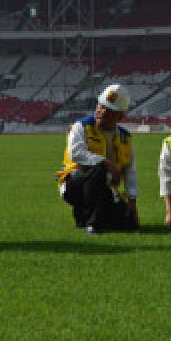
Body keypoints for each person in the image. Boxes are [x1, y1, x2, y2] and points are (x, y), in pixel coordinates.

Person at [56, 84, 139, 234]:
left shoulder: (125, 137)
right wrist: (106, 162)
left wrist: (132, 202)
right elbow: (76, 153)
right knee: (99, 168)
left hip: (104, 186)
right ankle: (93, 224)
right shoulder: (80, 127)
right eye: (100, 106)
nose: (101, 112)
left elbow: (130, 171)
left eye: (108, 110)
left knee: (129, 223)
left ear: (120, 116)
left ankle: (83, 216)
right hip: (74, 185)